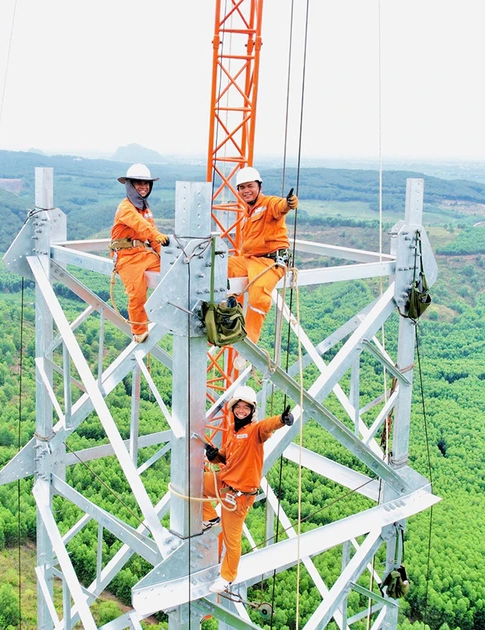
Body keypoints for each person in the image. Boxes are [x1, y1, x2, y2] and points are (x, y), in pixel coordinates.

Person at [201, 385, 295, 593]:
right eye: (238, 407)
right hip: (225, 482)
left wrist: (281, 420)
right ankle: (209, 517)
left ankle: (227, 577)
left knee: (231, 539)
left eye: (246, 408)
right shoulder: (234, 434)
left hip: (238, 496)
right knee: (193, 483)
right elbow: (225, 458)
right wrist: (213, 455)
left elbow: (266, 427)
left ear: (252, 411)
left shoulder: (254, 431)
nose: (241, 411)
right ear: (233, 408)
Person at [227, 166, 298, 345]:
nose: (246, 191)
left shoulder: (268, 204)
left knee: (258, 295)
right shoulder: (247, 213)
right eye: (242, 187)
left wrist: (288, 203)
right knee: (218, 267)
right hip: (249, 259)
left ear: (259, 187)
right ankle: (225, 315)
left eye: (249, 186)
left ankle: (250, 341)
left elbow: (280, 206)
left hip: (270, 261)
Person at [110, 164, 170, 343]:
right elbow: (141, 225)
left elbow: (152, 234)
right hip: (127, 257)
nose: (144, 187)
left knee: (173, 275)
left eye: (146, 184)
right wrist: (157, 235)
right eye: (139, 183)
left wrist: (165, 255)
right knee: (137, 294)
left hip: (143, 253)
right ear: (130, 185)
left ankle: (169, 313)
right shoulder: (126, 208)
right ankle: (139, 330)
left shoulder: (145, 208)